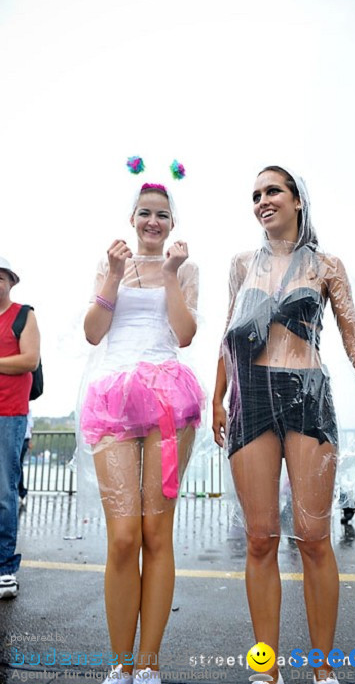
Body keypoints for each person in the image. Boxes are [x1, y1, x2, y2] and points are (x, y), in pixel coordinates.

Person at [212, 166, 355, 684]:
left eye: (272, 191)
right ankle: (266, 668)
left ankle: (323, 670)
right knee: (259, 538)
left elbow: (354, 337)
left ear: (298, 199)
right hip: (249, 399)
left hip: (307, 397)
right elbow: (228, 334)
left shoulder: (326, 265)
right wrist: (217, 399)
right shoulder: (240, 265)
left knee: (314, 536)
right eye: (255, 195)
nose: (262, 201)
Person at [79, 183, 204, 683]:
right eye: (146, 213)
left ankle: (148, 665)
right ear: (133, 218)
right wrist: (111, 276)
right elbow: (92, 331)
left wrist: (172, 274)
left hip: (168, 397)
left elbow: (184, 334)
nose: (154, 222)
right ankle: (120, 664)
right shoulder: (111, 265)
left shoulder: (185, 269)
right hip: (113, 397)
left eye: (163, 215)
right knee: (123, 537)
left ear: (172, 223)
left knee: (156, 535)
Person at [0, 257, 40, 598]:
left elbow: (30, 360)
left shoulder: (23, 314)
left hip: (8, 415)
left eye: (1, 277)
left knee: (4, 493)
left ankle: (5, 569)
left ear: (12, 281)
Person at [19, 409, 33, 506]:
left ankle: (20, 491)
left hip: (23, 438)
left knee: (17, 465)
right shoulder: (27, 408)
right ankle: (21, 491)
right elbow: (30, 425)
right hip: (24, 439)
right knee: (18, 465)